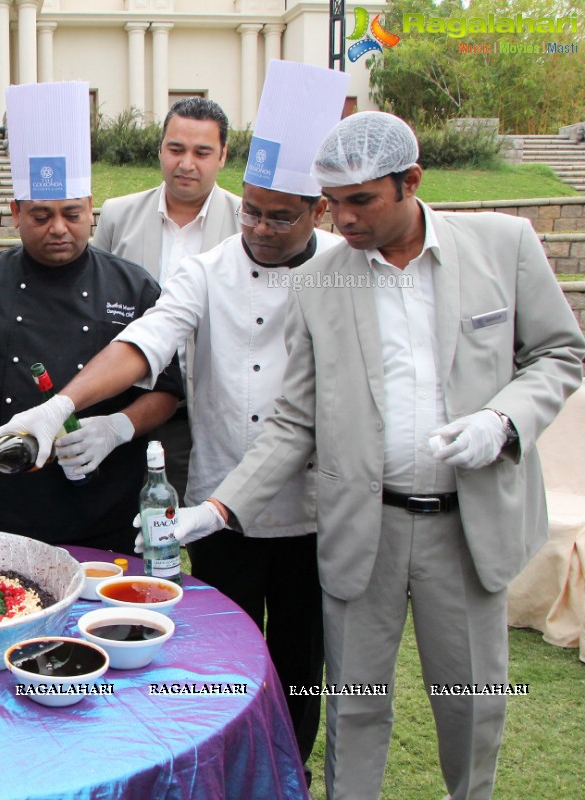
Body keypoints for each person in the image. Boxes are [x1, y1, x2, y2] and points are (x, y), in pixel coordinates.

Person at [178, 112, 583, 799]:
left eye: (360, 200)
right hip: (365, 525)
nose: (343, 219)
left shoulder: (503, 244)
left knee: (471, 700)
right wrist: (218, 507)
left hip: (467, 523)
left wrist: (502, 420)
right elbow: (294, 422)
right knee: (356, 703)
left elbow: (559, 352)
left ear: (412, 182)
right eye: (333, 202)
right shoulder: (320, 282)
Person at [0, 61, 352, 778]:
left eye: (279, 215)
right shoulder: (212, 265)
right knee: (217, 647)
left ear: (318, 210)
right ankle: (227, 764)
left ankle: (292, 769)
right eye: (250, 209)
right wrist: (63, 405)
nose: (257, 226)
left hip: (323, 503)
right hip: (218, 499)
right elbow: (149, 340)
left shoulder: (349, 269)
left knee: (303, 655)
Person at [0, 81, 182, 554]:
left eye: (72, 213)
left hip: (104, 501)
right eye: (41, 215)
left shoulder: (133, 287)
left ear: (91, 208)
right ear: (14, 212)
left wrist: (116, 429)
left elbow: (169, 392)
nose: (58, 228)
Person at [92, 97, 242, 504]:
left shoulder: (244, 223)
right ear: (160, 149)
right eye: (176, 149)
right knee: (119, 516)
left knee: (197, 521)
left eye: (202, 152)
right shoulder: (119, 215)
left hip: (206, 407)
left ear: (223, 155)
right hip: (125, 400)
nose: (186, 163)